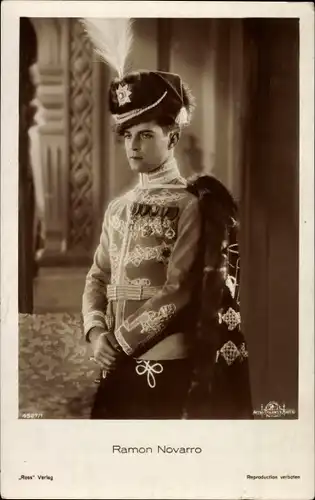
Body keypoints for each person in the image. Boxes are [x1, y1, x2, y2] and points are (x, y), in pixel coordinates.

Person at [81, 18, 252, 419]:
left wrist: (118, 342)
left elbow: (178, 292)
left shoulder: (194, 204)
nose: (133, 146)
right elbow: (97, 277)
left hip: (167, 368)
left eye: (145, 135)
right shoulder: (118, 208)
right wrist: (94, 333)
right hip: (116, 363)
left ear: (172, 138)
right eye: (127, 135)